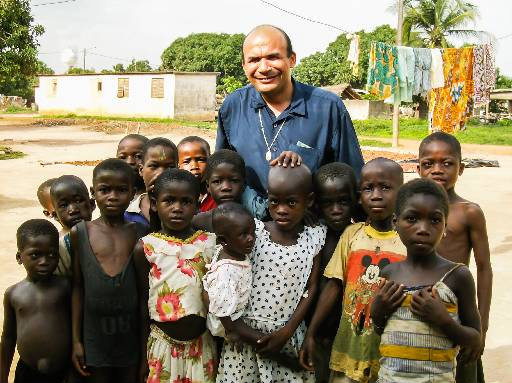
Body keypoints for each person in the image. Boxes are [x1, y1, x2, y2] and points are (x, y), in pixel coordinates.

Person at [216, 24, 364, 217]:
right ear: (244, 65)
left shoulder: (327, 108)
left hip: (311, 235)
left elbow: (353, 179)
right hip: (247, 235)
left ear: (291, 59)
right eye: (254, 60)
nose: (264, 68)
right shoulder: (233, 107)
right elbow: (220, 173)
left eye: (273, 57)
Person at [216, 165, 327, 383]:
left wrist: (287, 332)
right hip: (246, 335)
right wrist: (248, 334)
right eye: (275, 201)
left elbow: (310, 288)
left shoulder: (313, 239)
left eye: (291, 202)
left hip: (287, 335)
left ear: (310, 201)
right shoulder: (253, 233)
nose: (282, 209)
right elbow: (222, 276)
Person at [300, 158, 406, 383]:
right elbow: (333, 285)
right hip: (350, 345)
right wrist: (311, 333)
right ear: (360, 195)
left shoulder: (407, 239)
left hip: (391, 345)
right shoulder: (352, 235)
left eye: (385, 188)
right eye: (369, 189)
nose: (376, 195)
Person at [371, 178, 482, 383]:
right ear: (395, 222)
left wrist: (444, 321)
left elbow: (475, 339)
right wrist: (377, 312)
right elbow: (383, 333)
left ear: (445, 227)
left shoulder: (457, 276)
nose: (423, 228)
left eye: (434, 220)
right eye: (412, 219)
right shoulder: (389, 274)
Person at [418, 132, 492, 383]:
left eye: (447, 163)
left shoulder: (469, 213)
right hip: (417, 305)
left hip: (459, 309)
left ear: (461, 168)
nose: (437, 170)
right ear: (418, 169)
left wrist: (481, 323)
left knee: (461, 367)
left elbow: (484, 269)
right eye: (429, 164)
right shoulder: (409, 211)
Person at [133, 168, 217, 383]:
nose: (177, 208)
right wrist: (143, 355)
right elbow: (143, 302)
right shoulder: (146, 247)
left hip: (202, 345)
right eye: (169, 201)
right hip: (162, 345)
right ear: (154, 203)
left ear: (197, 204)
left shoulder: (210, 243)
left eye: (186, 202)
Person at [70, 159, 147, 383]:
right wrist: (76, 341)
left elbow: (144, 296)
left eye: (121, 190)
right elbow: (77, 287)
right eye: (105, 190)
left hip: (130, 338)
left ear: (132, 193)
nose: (113, 196)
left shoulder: (141, 232)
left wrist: (144, 352)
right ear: (93, 193)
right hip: (94, 338)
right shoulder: (80, 233)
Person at [0, 219, 70, 383]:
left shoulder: (65, 288)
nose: (44, 261)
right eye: (35, 255)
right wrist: (3, 375)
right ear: (19, 257)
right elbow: (8, 337)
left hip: (64, 372)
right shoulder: (13, 294)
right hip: (27, 373)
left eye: (51, 254)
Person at [309, 162, 358, 383]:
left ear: (355, 200)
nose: (336, 210)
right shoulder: (313, 237)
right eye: (328, 203)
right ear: (316, 204)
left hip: (350, 339)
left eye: (343, 202)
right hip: (316, 334)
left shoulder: (361, 237)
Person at [202, 202, 255, 340]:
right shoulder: (226, 271)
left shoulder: (234, 250)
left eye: (252, 232)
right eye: (243, 234)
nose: (251, 238)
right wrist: (231, 331)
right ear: (223, 240)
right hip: (225, 322)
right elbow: (221, 309)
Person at [124, 137, 178, 228]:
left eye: (170, 167)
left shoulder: (188, 212)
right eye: (154, 166)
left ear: (178, 170)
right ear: (141, 170)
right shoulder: (126, 213)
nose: (161, 174)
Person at [50, 175, 95, 277]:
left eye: (78, 201)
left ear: (92, 204)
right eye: (64, 205)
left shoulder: (105, 234)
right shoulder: (59, 248)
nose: (73, 210)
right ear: (55, 215)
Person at [192, 149, 246, 232]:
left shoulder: (254, 222)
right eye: (217, 181)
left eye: (234, 180)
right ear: (208, 186)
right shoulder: (197, 223)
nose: (226, 187)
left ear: (244, 184)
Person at [177, 136, 214, 212]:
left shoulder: (216, 195)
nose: (194, 166)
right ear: (178, 166)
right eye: (186, 162)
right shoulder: (175, 195)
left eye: (201, 160)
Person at [116, 133, 149, 199]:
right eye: (123, 157)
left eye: (138, 156)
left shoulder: (158, 196)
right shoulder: (113, 196)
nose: (129, 162)